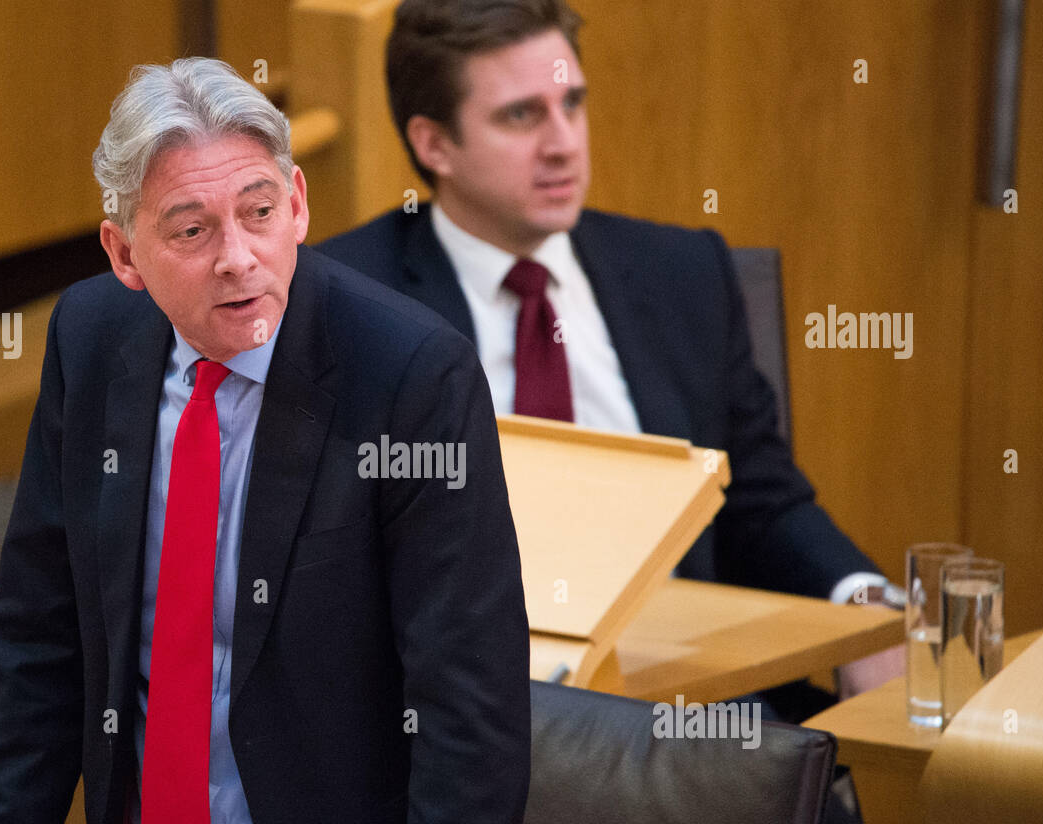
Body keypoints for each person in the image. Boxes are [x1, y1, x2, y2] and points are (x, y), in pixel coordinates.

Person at [0, 56, 545, 824]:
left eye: (260, 213)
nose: (239, 260)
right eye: (191, 232)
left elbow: (470, 714)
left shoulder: (408, 378)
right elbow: (40, 640)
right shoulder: (91, 341)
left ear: (300, 204)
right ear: (124, 252)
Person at [317, 0, 905, 698]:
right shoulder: (350, 301)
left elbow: (759, 502)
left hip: (690, 707)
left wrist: (867, 607)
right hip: (465, 711)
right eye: (520, 116)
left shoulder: (684, 273)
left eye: (573, 103)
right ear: (433, 143)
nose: (563, 142)